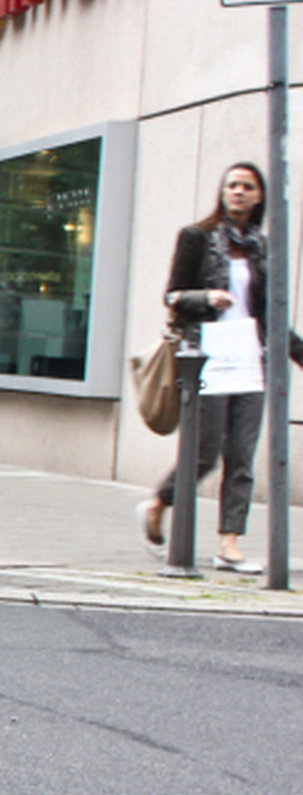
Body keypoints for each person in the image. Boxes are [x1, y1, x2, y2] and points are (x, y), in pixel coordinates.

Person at [142, 161, 303, 572]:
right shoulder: (196, 237)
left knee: (242, 455)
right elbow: (173, 296)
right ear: (223, 191)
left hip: (251, 360)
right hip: (205, 358)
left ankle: (229, 544)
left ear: (259, 196)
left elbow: (271, 314)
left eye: (247, 186)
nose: (238, 191)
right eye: (232, 184)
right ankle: (161, 501)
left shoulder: (263, 248)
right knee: (206, 453)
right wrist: (206, 298)